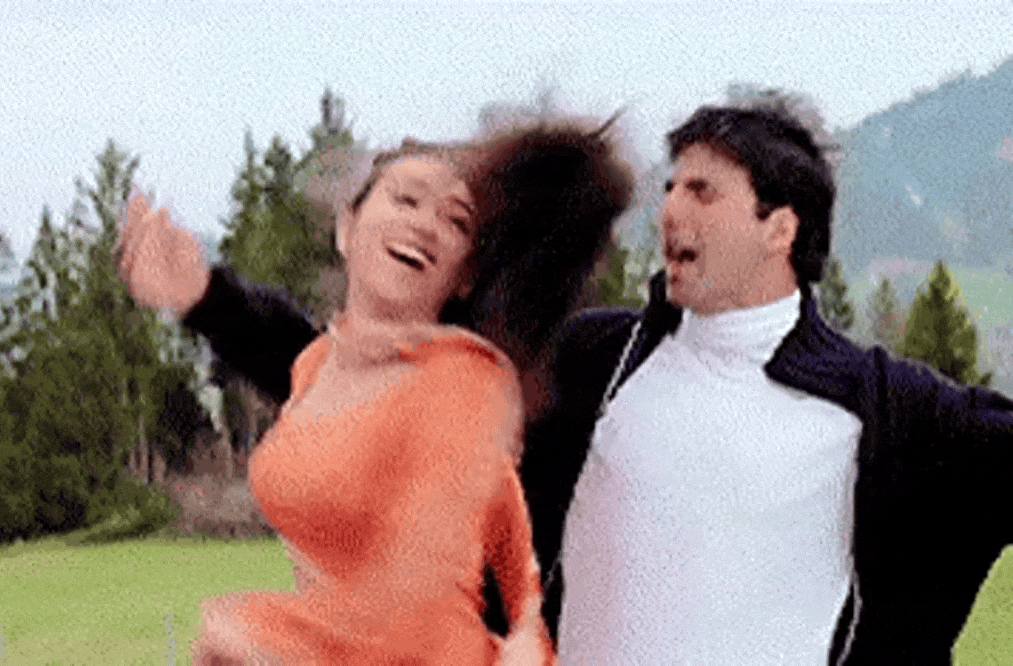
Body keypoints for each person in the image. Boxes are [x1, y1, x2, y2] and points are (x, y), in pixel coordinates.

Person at [152, 91, 1013, 665]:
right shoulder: (597, 364)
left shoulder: (889, 412)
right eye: (671, 185)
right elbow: (370, 378)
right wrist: (210, 301)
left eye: (704, 191)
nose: (671, 208)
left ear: (779, 228)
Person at [117, 123, 633, 664]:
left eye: (455, 219)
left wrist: (261, 633)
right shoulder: (342, 368)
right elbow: (310, 358)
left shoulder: (482, 382)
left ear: (468, 271)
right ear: (347, 228)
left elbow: (408, 610)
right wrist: (202, 296)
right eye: (405, 200)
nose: (423, 224)